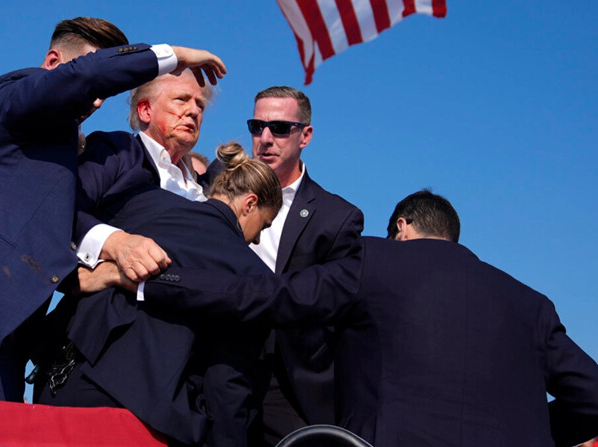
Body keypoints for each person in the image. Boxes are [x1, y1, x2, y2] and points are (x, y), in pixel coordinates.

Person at [0, 16, 226, 402]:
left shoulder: (57, 145)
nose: (97, 100)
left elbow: (32, 228)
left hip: (5, 331)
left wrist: (92, 278)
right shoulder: (8, 96)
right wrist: (174, 55)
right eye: (92, 79)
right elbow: (84, 78)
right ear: (53, 62)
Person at [141, 190, 598, 447]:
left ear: (401, 226)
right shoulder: (531, 303)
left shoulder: (373, 261)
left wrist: (156, 279)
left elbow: (268, 296)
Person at [35, 142, 282, 447]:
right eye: (263, 225)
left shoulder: (146, 203)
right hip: (136, 419)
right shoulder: (251, 273)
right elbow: (228, 385)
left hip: (56, 384)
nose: (257, 239)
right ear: (249, 204)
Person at [244, 86, 364, 444]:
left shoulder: (337, 217)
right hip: (218, 370)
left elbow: (337, 301)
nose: (265, 139)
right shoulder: (217, 191)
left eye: (279, 128)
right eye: (256, 126)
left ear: (305, 135)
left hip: (291, 386)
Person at [73, 68, 215, 265]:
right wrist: (115, 243)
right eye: (182, 99)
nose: (194, 111)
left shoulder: (203, 190)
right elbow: (65, 209)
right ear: (145, 111)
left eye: (200, 105)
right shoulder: (117, 151)